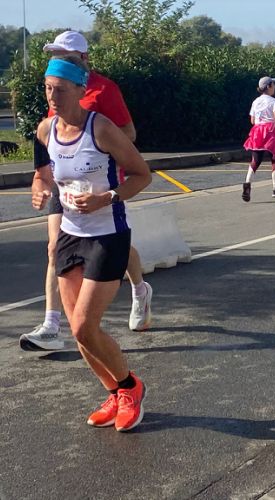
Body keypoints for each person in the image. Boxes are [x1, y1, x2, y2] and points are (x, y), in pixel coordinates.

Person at [33, 55, 151, 431]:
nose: (52, 97)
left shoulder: (101, 129)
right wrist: (40, 187)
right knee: (78, 332)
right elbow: (43, 173)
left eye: (60, 90)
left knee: (86, 326)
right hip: (70, 235)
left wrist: (107, 197)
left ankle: (130, 388)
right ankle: (114, 392)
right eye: (48, 88)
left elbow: (142, 175)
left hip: (107, 235)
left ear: (80, 90)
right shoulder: (45, 130)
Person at [20, 31, 153, 352]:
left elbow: (129, 133)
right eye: (55, 53)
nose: (58, 58)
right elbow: (46, 140)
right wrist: (41, 182)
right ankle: (51, 325)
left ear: (84, 58)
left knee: (117, 245)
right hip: (64, 182)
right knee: (54, 247)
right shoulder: (56, 84)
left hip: (98, 179)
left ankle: (139, 289)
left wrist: (94, 142)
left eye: (65, 53)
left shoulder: (104, 89)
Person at [242, 76, 275, 202]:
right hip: (270, 131)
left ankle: (247, 183)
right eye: (273, 84)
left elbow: (252, 120)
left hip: (257, 131)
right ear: (268, 87)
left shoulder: (255, 102)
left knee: (256, 160)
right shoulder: (274, 101)